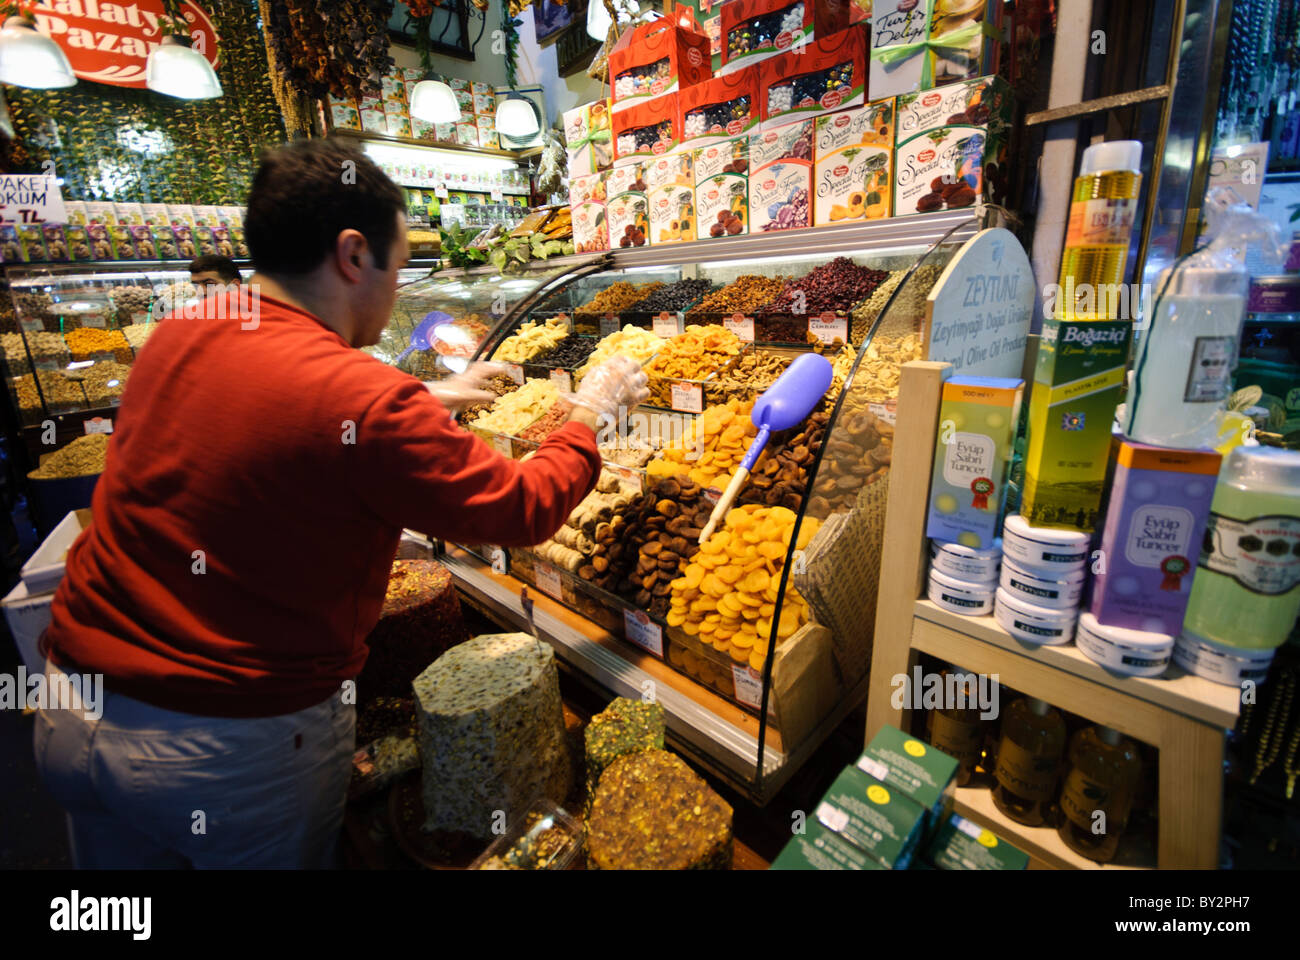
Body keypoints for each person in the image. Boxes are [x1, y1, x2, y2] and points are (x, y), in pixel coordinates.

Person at [33, 140, 648, 869]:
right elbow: (520, 510)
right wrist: (590, 414)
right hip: (225, 751)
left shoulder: (184, 331)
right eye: (399, 266)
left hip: (72, 707)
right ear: (354, 255)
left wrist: (420, 396)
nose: (395, 292)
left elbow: (274, 414)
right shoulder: (359, 396)